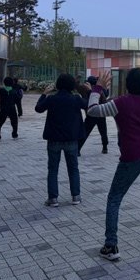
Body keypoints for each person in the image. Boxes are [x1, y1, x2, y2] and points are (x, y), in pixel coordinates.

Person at [87, 68, 140, 260]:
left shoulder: (119, 103)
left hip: (131, 156)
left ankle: (111, 246)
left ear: (128, 84)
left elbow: (92, 110)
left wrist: (98, 88)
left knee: (114, 198)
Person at [35, 73, 87, 207]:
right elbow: (88, 105)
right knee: (73, 168)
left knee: (53, 169)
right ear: (71, 85)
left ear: (58, 84)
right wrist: (88, 91)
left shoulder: (52, 99)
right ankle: (76, 196)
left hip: (54, 139)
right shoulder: (76, 99)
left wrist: (44, 94)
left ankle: (53, 198)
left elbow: (38, 108)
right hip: (71, 139)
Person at [78, 76, 110, 155]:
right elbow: (105, 96)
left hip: (91, 114)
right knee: (103, 132)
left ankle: (78, 149)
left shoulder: (85, 89)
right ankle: (105, 148)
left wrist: (78, 79)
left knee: (85, 132)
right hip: (100, 114)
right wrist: (106, 88)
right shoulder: (99, 89)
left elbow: (76, 86)